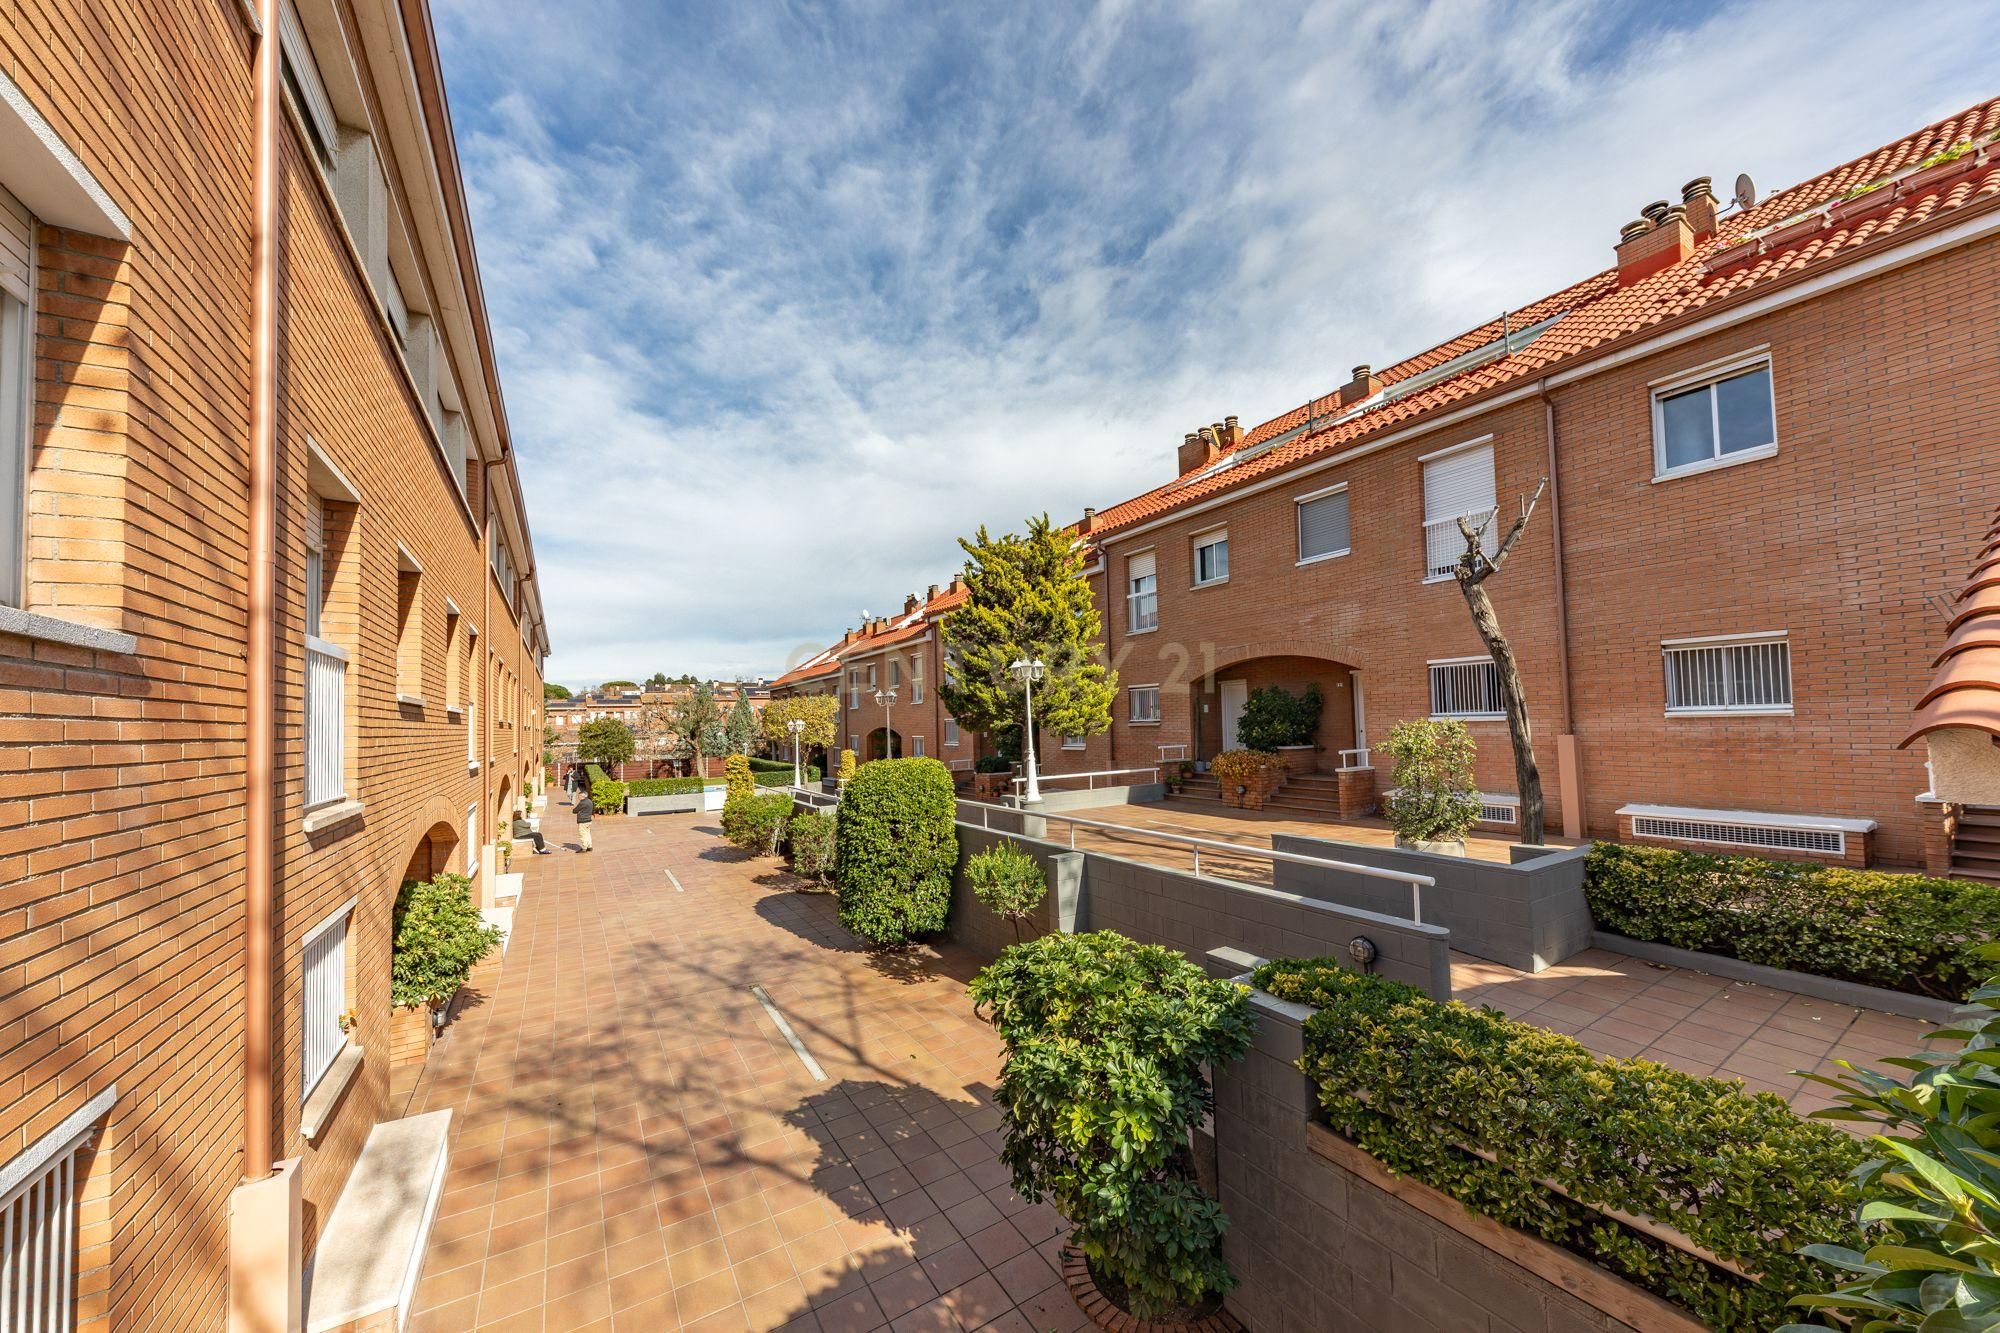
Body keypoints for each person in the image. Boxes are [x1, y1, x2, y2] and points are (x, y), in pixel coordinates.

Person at [573, 787, 594, 852]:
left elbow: (574, 810)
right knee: (588, 833)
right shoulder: (589, 801)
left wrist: (577, 811)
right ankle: (590, 846)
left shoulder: (582, 803)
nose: (578, 797)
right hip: (589, 820)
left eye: (579, 796)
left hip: (583, 821)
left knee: (582, 834)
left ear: (583, 796)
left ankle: (584, 847)